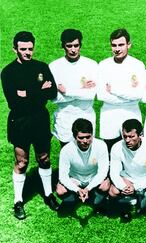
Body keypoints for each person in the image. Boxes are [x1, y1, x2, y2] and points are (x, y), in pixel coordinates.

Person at [1, 31, 59, 220]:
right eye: (23, 49)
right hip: (20, 121)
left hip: (40, 120)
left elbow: (52, 92)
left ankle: (49, 194)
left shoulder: (41, 67)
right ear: (15, 49)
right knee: (22, 162)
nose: (27, 52)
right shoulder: (8, 72)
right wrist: (38, 91)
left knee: (44, 158)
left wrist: (26, 93)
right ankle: (18, 201)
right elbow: (14, 102)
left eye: (30, 49)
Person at [97, 28, 145, 152]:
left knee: (134, 152)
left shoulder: (138, 65)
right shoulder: (103, 65)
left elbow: (139, 94)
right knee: (110, 151)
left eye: (121, 45)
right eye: (114, 45)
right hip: (109, 115)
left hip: (131, 114)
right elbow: (101, 95)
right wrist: (128, 95)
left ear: (129, 45)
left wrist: (114, 90)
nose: (117, 49)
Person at [49, 29, 97, 147]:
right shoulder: (54, 66)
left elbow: (91, 95)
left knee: (87, 153)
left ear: (80, 45)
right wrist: (82, 89)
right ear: (63, 46)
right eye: (69, 46)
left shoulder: (91, 65)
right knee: (67, 152)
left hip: (86, 115)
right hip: (64, 117)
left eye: (76, 45)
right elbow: (54, 98)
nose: (73, 49)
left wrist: (67, 91)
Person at [109, 119, 146, 218]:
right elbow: (114, 173)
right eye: (125, 136)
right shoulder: (116, 147)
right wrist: (123, 187)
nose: (127, 140)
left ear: (140, 134)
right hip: (128, 178)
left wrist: (136, 186)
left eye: (131, 136)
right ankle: (133, 201)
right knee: (113, 191)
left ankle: (141, 201)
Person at [56, 119, 109, 214]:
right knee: (60, 190)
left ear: (92, 134)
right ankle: (74, 199)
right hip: (75, 179)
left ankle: (96, 201)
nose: (85, 141)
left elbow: (103, 172)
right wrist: (77, 190)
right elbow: (63, 176)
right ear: (74, 137)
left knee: (105, 186)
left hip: (93, 177)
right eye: (81, 138)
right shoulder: (66, 150)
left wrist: (88, 188)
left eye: (88, 137)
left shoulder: (101, 145)